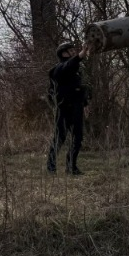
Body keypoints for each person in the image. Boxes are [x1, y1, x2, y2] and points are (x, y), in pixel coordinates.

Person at [47, 40, 91, 175]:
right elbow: (69, 65)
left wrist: (85, 105)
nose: (74, 52)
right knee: (60, 138)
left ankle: (71, 167)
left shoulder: (75, 71)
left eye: (74, 51)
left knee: (78, 138)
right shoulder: (59, 69)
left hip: (76, 108)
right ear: (63, 54)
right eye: (71, 51)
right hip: (64, 109)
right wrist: (81, 54)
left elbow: (80, 89)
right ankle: (51, 167)